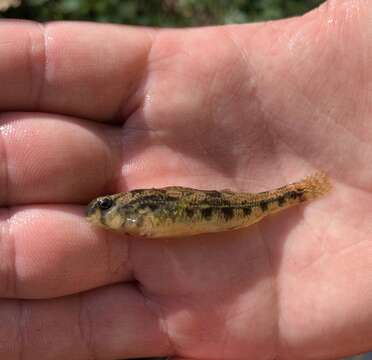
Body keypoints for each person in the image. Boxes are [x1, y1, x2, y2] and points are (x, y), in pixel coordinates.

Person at [0, 1, 371, 359]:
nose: (98, 213)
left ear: (126, 211)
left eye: (105, 207)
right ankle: (295, 195)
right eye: (100, 208)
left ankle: (297, 194)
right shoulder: (135, 214)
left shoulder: (137, 210)